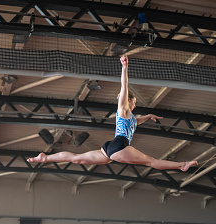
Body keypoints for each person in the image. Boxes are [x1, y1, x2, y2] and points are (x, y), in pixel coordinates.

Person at [27, 56, 198, 172]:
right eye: (134, 102)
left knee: (77, 158)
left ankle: (45, 158)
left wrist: (148, 116)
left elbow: (137, 121)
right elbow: (124, 87)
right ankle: (182, 165)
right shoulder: (123, 109)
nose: (135, 104)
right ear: (128, 101)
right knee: (150, 161)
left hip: (109, 148)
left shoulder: (130, 118)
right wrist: (125, 68)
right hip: (120, 146)